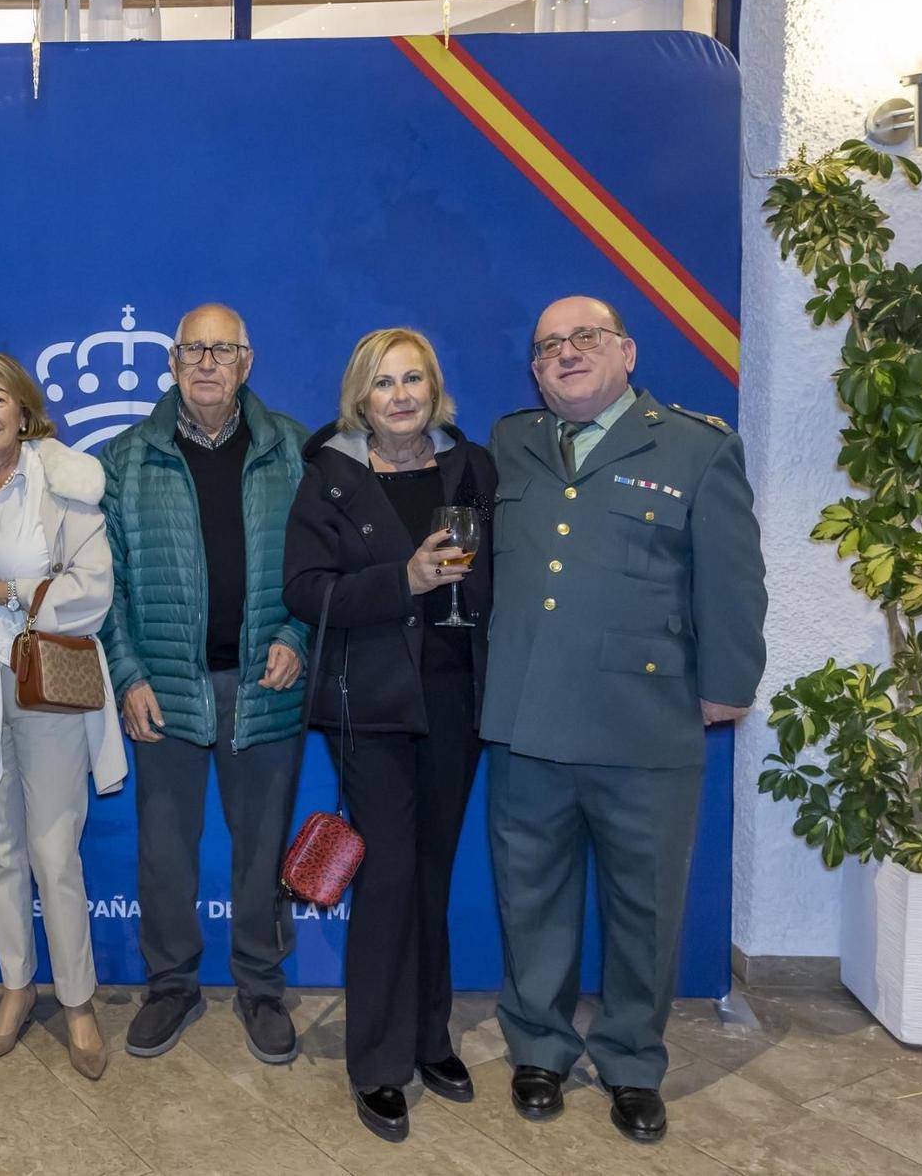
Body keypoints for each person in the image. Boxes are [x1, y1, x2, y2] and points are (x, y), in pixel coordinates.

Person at [484, 296, 766, 1144]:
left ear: (627, 351)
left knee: (644, 906)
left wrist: (729, 683)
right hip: (527, 719)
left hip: (644, 723)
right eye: (548, 346)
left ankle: (632, 1060)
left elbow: (734, 579)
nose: (566, 353)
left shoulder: (696, 447)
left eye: (585, 338)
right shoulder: (510, 444)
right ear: (534, 369)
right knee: (531, 895)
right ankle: (539, 1045)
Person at [283, 328, 496, 1144]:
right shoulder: (329, 475)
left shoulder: (467, 468)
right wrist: (400, 580)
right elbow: (304, 590)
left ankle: (430, 1037)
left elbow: (494, 571)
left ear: (434, 388)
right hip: (369, 702)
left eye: (413, 380)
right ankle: (377, 1061)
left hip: (453, 698)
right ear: (360, 398)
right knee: (391, 872)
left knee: (432, 871)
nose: (401, 395)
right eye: (384, 383)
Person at [97, 303, 310, 1065]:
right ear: (174, 361)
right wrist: (126, 674)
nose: (208, 363)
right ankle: (170, 986)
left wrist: (297, 635)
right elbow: (106, 584)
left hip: (264, 682)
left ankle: (260, 985)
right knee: (164, 849)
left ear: (247, 361)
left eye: (223, 350)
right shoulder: (126, 457)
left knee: (262, 849)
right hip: (167, 689)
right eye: (194, 350)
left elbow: (326, 569)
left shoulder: (293, 449)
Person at [0, 352, 125, 1080]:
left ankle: (77, 1002)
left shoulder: (64, 483)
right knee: (1, 854)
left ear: (24, 409)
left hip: (45, 690)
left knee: (54, 854)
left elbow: (94, 589)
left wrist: (9, 590)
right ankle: (16, 990)